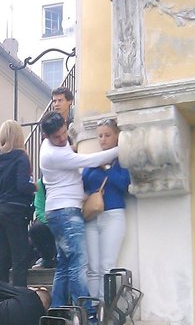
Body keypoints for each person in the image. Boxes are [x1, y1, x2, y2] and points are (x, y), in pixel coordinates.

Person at [38, 111, 118, 312]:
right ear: (46, 136)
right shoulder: (53, 154)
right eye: (57, 136)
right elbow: (89, 161)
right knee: (78, 264)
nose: (63, 138)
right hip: (66, 213)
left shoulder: (53, 145)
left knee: (65, 265)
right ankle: (87, 315)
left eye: (64, 132)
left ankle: (57, 310)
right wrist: (121, 148)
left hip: (58, 212)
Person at [82, 118, 131, 299]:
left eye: (107, 135)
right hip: (92, 217)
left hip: (113, 215)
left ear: (117, 136)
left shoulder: (121, 160)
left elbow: (125, 184)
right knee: (92, 267)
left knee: (106, 266)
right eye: (100, 136)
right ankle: (93, 309)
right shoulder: (94, 160)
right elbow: (83, 182)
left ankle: (104, 307)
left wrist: (108, 168)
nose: (103, 139)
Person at [0, 120, 34, 287]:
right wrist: (34, 186)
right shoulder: (21, 157)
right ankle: (19, 299)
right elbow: (22, 185)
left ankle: (1, 302)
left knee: (3, 258)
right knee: (20, 258)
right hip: (16, 212)